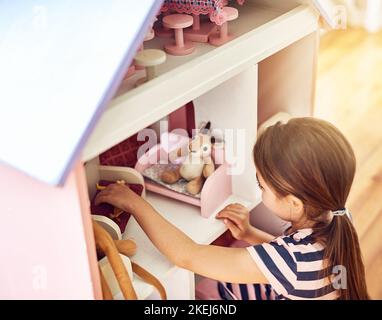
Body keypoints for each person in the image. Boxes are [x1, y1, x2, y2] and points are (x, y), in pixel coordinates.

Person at [95, 117, 369, 300]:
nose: (259, 190)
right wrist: (250, 234)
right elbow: (297, 260)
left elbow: (187, 256)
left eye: (262, 186)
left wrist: (135, 202)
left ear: (294, 203)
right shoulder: (337, 215)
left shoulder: (292, 263)